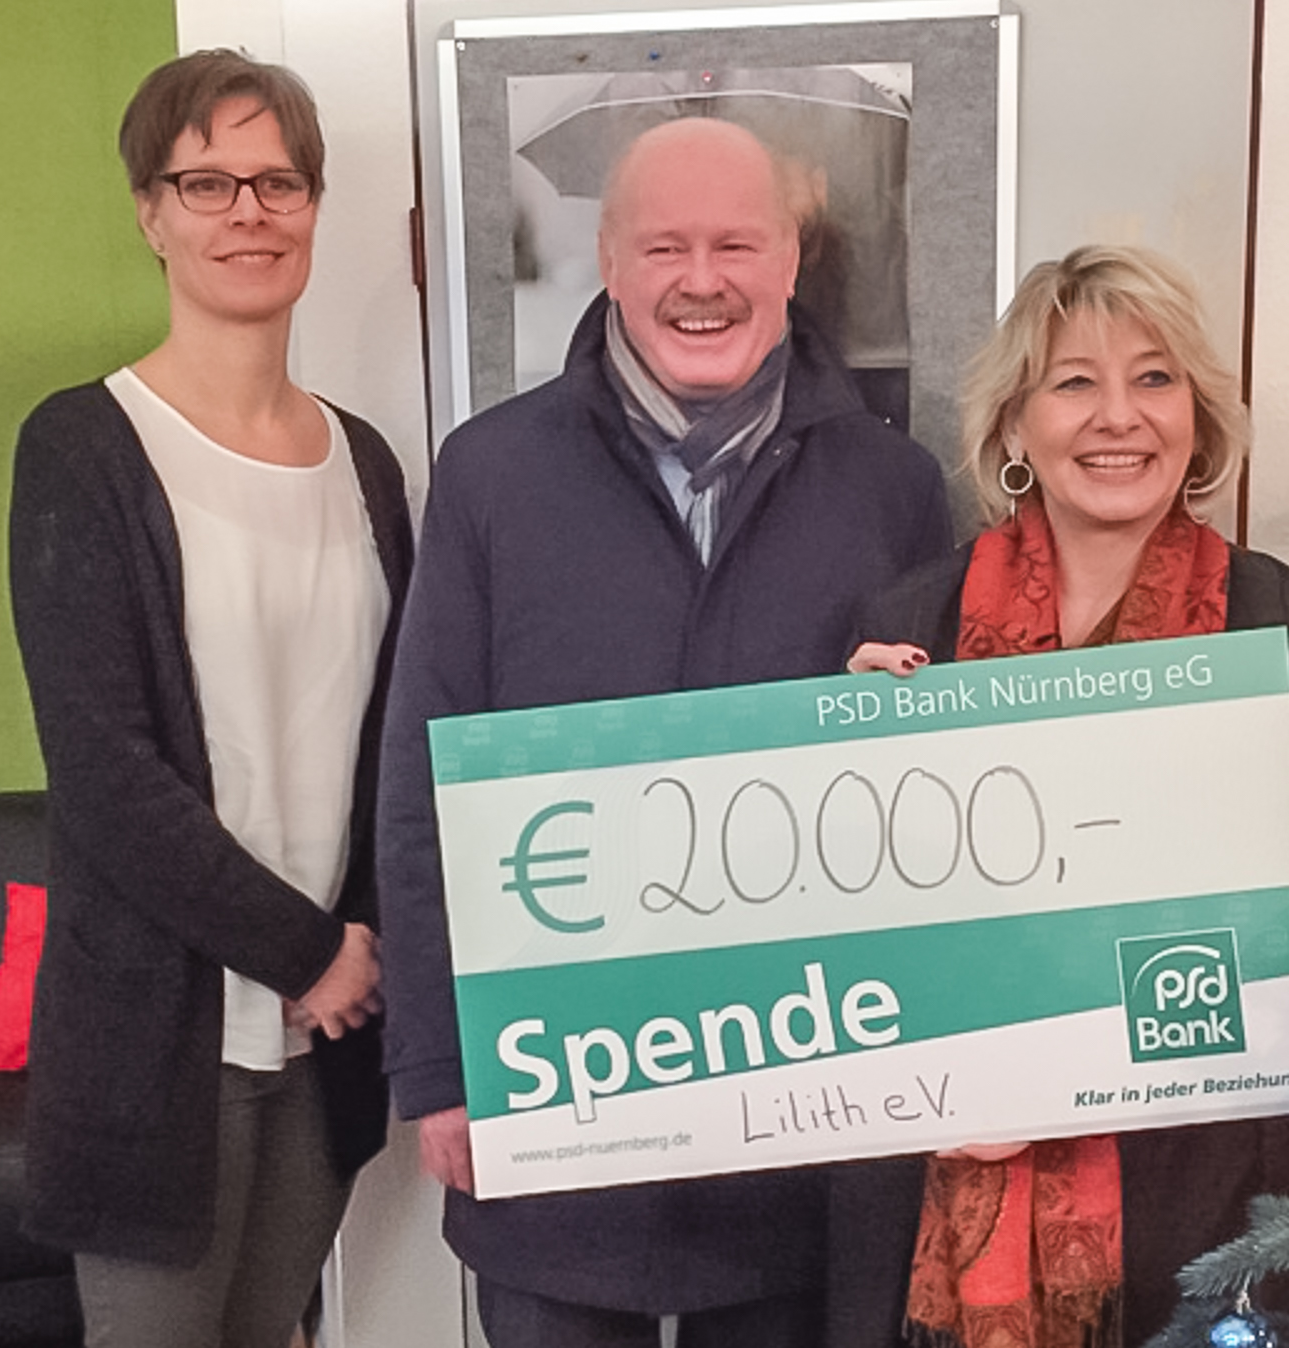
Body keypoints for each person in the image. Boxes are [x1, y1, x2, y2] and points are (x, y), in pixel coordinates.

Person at [377, 116, 952, 1348]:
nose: (702, 280)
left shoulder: (894, 489)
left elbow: (933, 798)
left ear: (790, 259)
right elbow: (422, 782)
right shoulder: (488, 474)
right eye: (664, 247)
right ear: (609, 260)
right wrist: (439, 1069)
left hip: (798, 1127)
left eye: (736, 244)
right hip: (551, 1117)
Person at [841, 243, 1289, 1348]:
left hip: (1210, 1167)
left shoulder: (1278, 621)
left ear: (1197, 417)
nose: (1119, 416)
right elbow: (863, 927)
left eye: (1155, 378)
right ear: (1016, 425)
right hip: (957, 1169)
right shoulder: (911, 626)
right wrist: (843, 756)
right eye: (1075, 382)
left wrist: (1056, 1075)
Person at [7, 50, 411, 1348]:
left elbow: (392, 740)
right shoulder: (84, 447)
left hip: (327, 1034)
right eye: (208, 182)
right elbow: (105, 773)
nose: (249, 212)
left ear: (314, 206)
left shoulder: (365, 462)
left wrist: (358, 948)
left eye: (278, 182)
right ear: (151, 212)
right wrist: (310, 951)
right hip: (160, 1042)